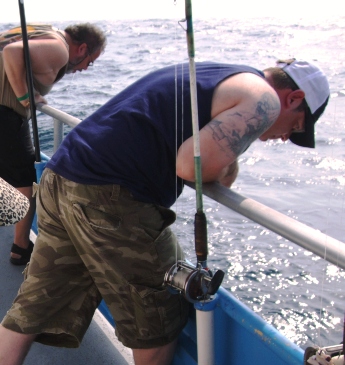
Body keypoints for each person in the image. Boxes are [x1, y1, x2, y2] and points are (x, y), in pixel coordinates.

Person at [0, 58, 329, 365]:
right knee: (155, 319)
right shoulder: (264, 100)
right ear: (293, 97)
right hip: (109, 197)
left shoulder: (216, 74)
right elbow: (191, 165)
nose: (284, 138)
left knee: (39, 295)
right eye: (296, 127)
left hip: (62, 175)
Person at [0, 23, 107, 265]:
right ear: (81, 48)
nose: (84, 69)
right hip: (5, 114)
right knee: (25, 180)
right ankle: (20, 247)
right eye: (89, 62)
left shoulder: (39, 31)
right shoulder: (60, 48)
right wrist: (26, 97)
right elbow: (12, 52)